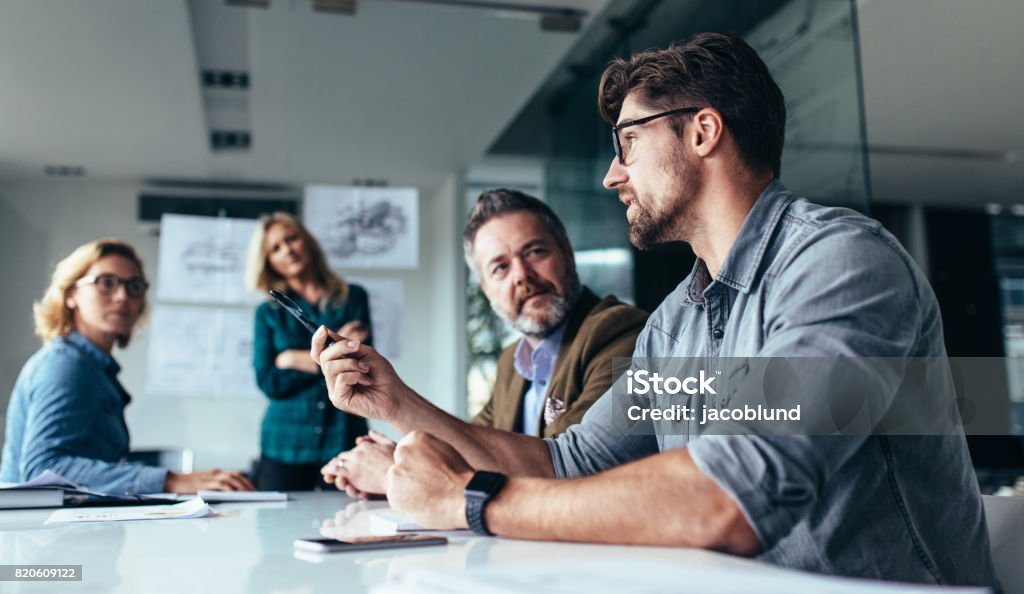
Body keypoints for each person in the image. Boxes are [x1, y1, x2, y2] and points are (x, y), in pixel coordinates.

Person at [311, 32, 997, 587]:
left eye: (628, 142)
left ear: (703, 132)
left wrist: (468, 500)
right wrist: (396, 403)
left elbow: (732, 495)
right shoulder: (677, 322)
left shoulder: (839, 264)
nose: (613, 174)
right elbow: (566, 463)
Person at [320, 189, 647, 496]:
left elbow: (570, 471)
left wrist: (396, 470)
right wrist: (403, 460)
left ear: (567, 254)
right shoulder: (512, 362)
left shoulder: (623, 334)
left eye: (534, 252)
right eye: (500, 267)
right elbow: (471, 450)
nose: (521, 275)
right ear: (486, 289)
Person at [0, 238, 254, 493]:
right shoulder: (66, 364)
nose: (122, 296)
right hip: (38, 530)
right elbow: (43, 469)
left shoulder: (94, 368)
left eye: (134, 287)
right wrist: (171, 480)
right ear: (71, 294)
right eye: (106, 283)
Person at [247, 212, 371, 490]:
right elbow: (268, 380)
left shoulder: (353, 298)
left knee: (349, 523)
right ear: (268, 262)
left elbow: (359, 366)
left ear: (307, 242)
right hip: (285, 443)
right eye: (275, 248)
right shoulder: (268, 313)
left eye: (292, 239)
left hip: (343, 437)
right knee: (277, 530)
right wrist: (329, 359)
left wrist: (291, 359)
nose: (287, 250)